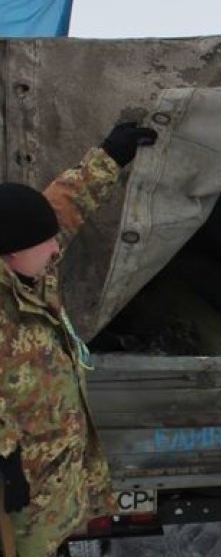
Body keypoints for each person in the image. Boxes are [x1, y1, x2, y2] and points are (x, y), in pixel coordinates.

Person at [0, 122, 157, 556]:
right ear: (11, 251)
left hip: (51, 492)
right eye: (46, 243)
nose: (56, 250)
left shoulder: (28, 268)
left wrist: (111, 154)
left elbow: (63, 207)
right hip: (16, 501)